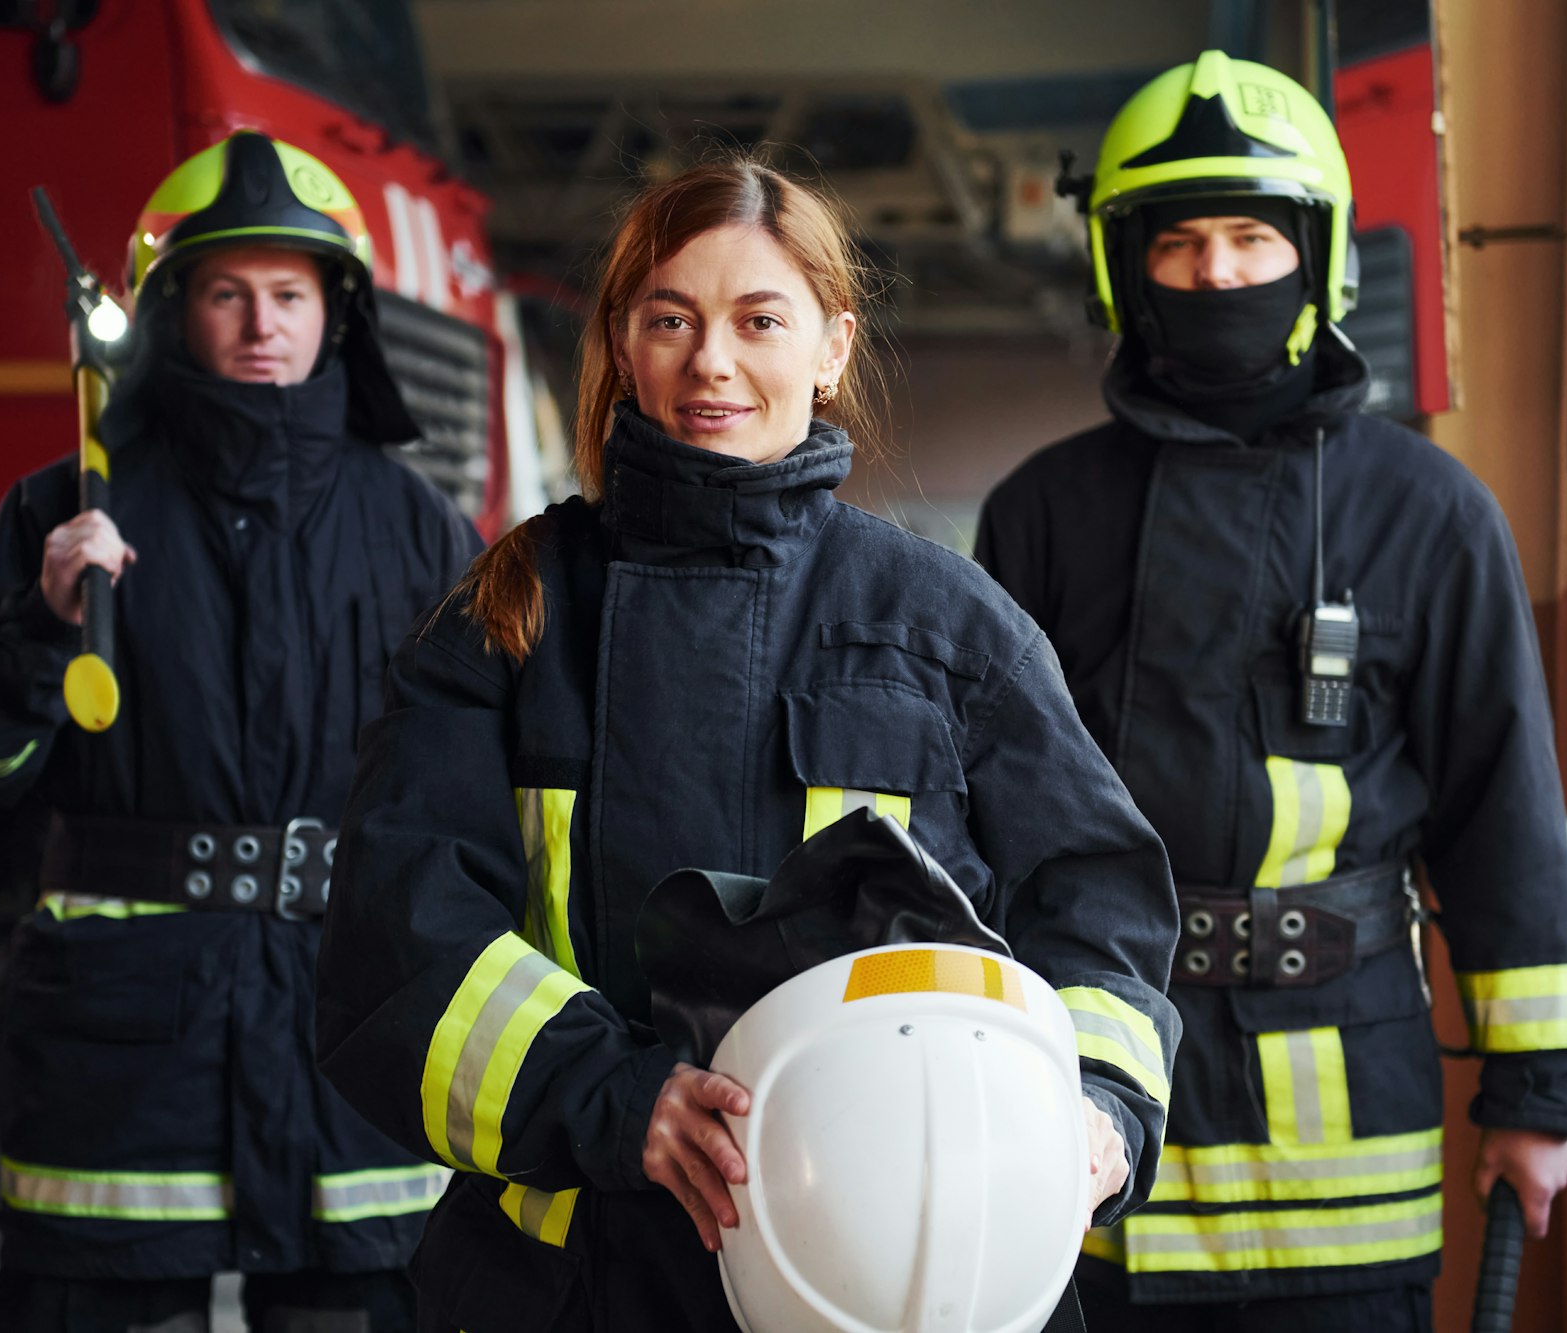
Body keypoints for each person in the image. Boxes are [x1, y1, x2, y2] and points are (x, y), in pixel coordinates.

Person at [314, 156, 1182, 1333]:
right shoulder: (512, 610)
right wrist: (616, 1097)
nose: (710, 361)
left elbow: (1098, 900)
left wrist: (1097, 1104)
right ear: (622, 344)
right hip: (567, 1288)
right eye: (670, 319)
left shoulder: (947, 626)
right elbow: (399, 926)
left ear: (830, 347)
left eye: (757, 320)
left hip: (893, 1281)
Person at [975, 51, 1567, 1330]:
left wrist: (1535, 1098)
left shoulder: (1430, 513)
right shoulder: (1041, 514)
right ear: (1121, 264)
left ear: (1315, 260)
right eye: (1182, 241)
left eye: (1251, 237)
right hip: (1100, 1132)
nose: (1216, 274)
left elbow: (1501, 813)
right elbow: (981, 819)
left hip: (1349, 1164)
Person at [0, 132, 482, 1332]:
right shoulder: (66, 510)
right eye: (226, 292)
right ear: (169, 313)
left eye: (290, 295)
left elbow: (480, 789)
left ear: (335, 315)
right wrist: (29, 626)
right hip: (126, 1050)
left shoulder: (420, 528)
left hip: (348, 1032)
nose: (263, 324)